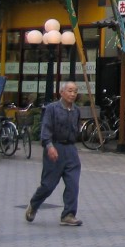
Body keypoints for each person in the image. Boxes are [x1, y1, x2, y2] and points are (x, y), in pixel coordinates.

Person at [25, 81, 83, 226]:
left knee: (73, 183)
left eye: (75, 91)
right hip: (55, 147)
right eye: (69, 91)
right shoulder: (52, 109)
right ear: (61, 92)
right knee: (48, 185)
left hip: (70, 149)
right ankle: (34, 204)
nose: (72, 94)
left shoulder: (76, 110)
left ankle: (68, 214)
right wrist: (49, 146)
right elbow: (46, 130)